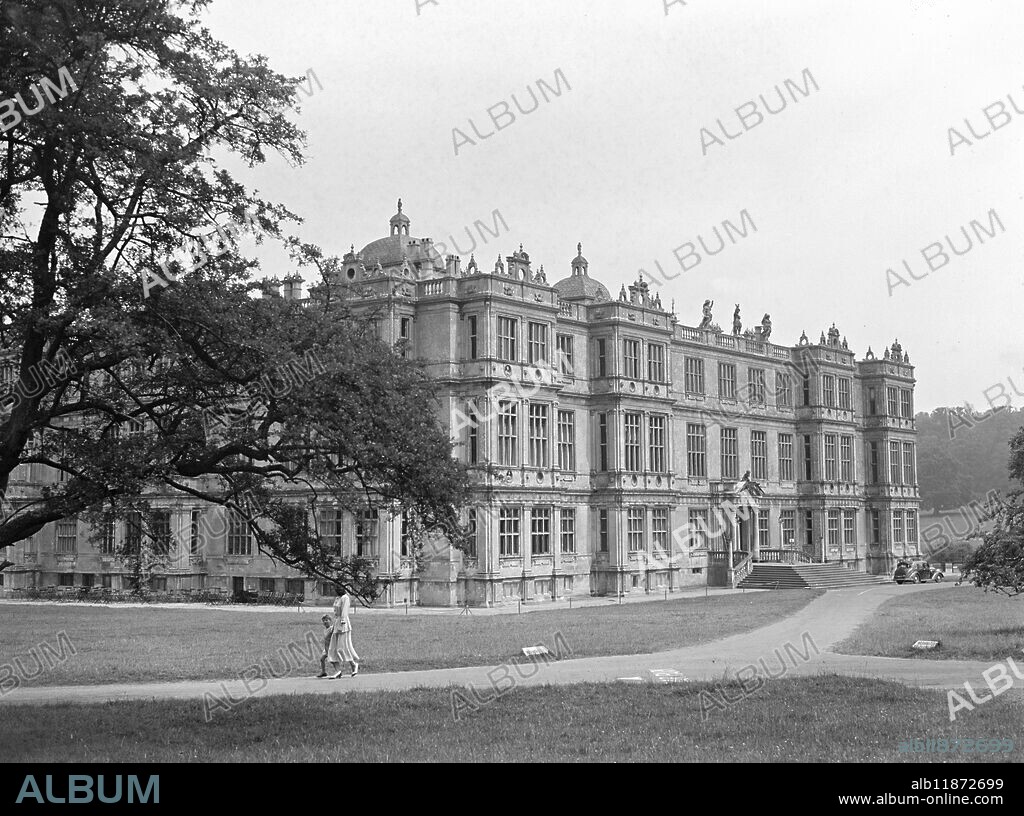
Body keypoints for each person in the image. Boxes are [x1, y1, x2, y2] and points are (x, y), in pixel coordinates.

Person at [327, 590, 360, 678]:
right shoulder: (338, 598)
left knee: (342, 648)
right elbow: (336, 611)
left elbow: (344, 612)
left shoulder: (345, 598)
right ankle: (338, 670)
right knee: (332, 649)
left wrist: (342, 623)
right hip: (337, 623)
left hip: (343, 625)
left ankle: (353, 664)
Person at [316, 613, 333, 678]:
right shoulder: (325, 630)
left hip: (331, 647)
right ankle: (323, 672)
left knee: (333, 660)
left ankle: (338, 670)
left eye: (326, 620)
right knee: (322, 659)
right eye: (323, 621)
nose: (325, 622)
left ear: (330, 621)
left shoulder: (331, 629)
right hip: (326, 648)